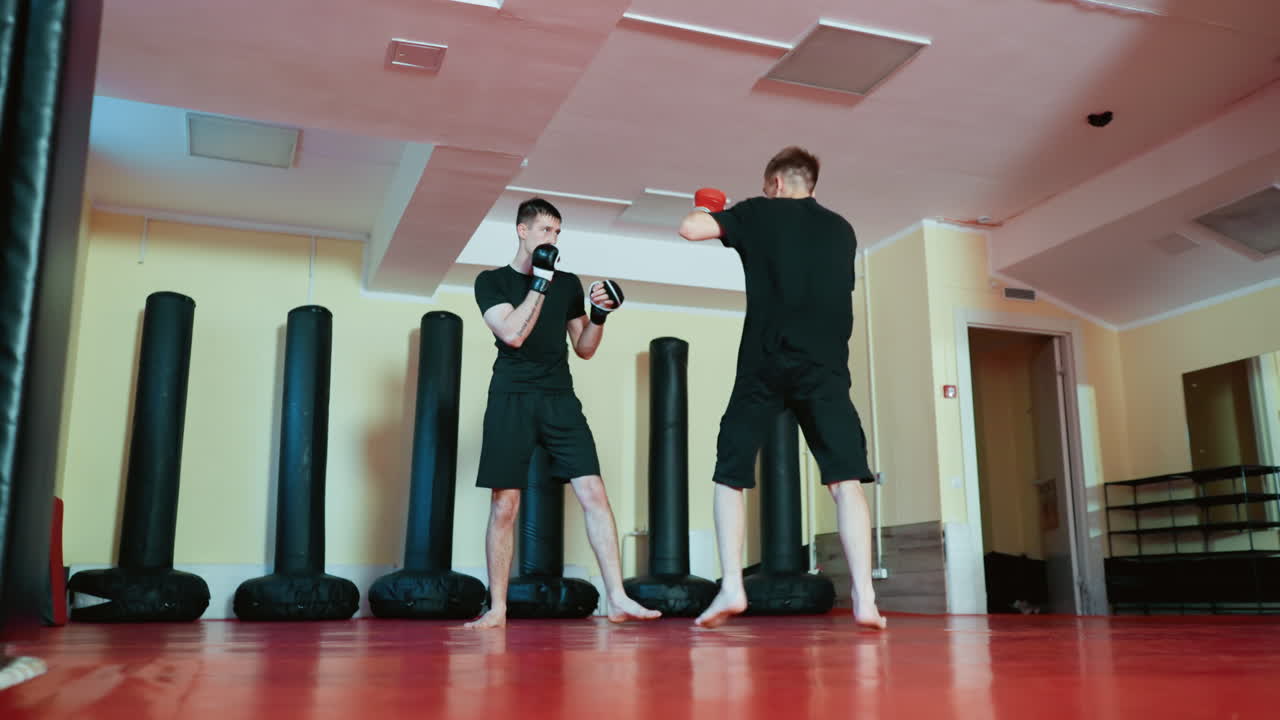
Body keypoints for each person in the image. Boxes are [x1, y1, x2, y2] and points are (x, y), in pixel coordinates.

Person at [677, 147, 886, 630]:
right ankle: (865, 599)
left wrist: (709, 205)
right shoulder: (842, 229)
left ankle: (732, 587)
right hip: (825, 367)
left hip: (765, 361)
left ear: (774, 183)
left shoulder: (758, 211)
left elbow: (691, 228)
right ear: (811, 184)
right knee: (845, 481)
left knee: (730, 473)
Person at [464, 197, 661, 629]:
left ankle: (617, 598)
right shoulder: (491, 281)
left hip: (559, 397)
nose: (552, 239)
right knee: (505, 505)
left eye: (556, 232)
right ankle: (497, 608)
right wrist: (540, 281)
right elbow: (512, 334)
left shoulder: (567, 284)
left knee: (594, 494)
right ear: (522, 231)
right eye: (544, 230)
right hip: (511, 396)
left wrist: (599, 316)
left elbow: (584, 348)